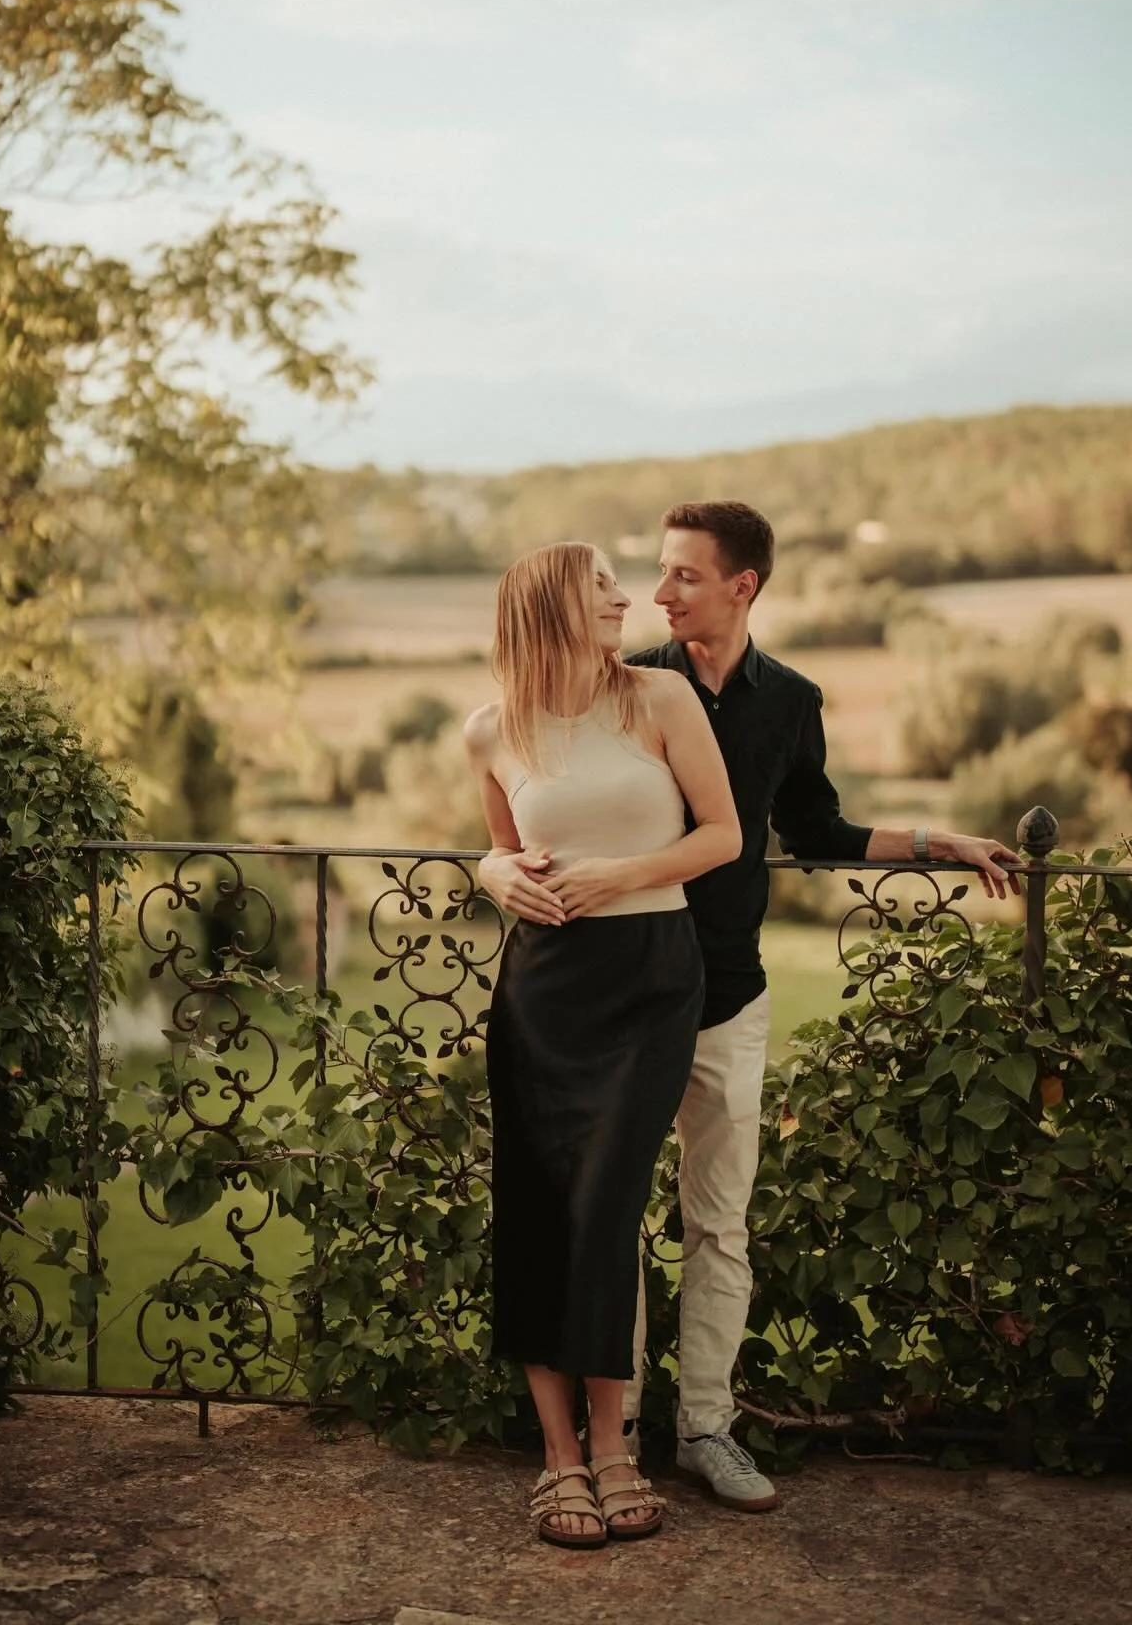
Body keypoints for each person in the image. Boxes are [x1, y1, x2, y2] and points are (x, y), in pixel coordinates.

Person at [480, 501, 1021, 1514]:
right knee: (604, 1216)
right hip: (608, 991)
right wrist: (491, 867)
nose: (658, 592)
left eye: (684, 575)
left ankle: (706, 1429)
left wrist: (937, 841)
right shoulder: (630, 680)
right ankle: (611, 1441)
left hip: (723, 991)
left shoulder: (789, 700)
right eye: (653, 572)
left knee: (718, 1224)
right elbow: (525, 811)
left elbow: (817, 828)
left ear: (743, 586)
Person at [463, 541, 741, 1550]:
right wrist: (492, 874)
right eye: (602, 587)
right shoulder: (491, 728)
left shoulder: (661, 701)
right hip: (544, 991)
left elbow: (723, 835)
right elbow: (503, 849)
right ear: (548, 607)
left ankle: (614, 1446)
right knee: (541, 1210)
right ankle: (560, 1459)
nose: (629, 599)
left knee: (607, 1209)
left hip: (650, 979)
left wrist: (619, 875)